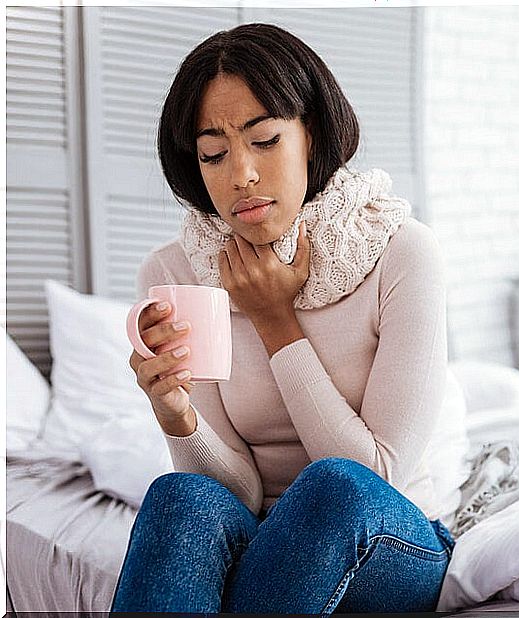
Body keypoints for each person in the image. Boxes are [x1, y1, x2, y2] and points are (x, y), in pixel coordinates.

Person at [111, 22, 455, 614]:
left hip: (388, 536)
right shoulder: (177, 271)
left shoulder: (401, 251)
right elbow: (236, 491)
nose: (240, 174)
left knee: (333, 486)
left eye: (264, 140)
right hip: (261, 537)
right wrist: (178, 416)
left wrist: (276, 323)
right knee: (179, 497)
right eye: (214, 154)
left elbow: (379, 475)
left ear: (311, 133)